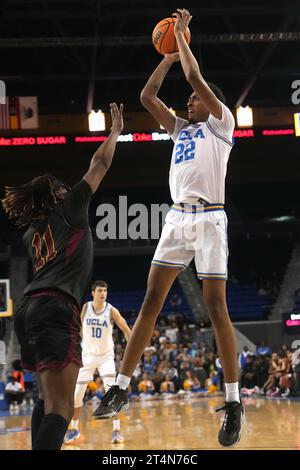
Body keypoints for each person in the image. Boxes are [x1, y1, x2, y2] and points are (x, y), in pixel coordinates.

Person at [93, 8, 243, 447]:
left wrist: (182, 39)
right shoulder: (180, 129)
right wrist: (168, 56)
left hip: (211, 219)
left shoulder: (221, 124)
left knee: (217, 308)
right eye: (189, 100)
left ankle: (233, 404)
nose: (187, 101)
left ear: (210, 103)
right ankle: (120, 386)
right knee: (149, 303)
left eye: (193, 100)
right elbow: (147, 97)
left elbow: (198, 82)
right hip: (177, 219)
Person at [1, 103, 124, 450]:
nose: (72, 191)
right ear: (57, 195)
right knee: (62, 409)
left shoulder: (31, 233)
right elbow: (99, 164)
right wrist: (114, 133)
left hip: (28, 309)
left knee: (46, 400)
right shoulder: (68, 209)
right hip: (56, 307)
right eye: (65, 189)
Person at [64, 280, 131, 444]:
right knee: (77, 395)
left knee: (112, 395)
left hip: (105, 357)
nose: (103, 294)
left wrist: (134, 350)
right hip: (87, 356)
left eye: (105, 291)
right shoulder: (85, 308)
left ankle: (117, 431)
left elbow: (126, 329)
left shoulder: (111, 310)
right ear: (93, 293)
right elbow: (75, 327)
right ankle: (74, 429)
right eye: (100, 291)